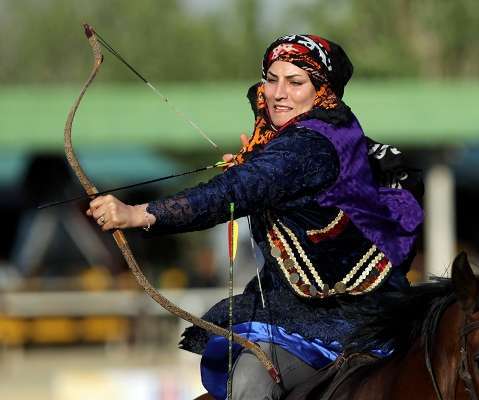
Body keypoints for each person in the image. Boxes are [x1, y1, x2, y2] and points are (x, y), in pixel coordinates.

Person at [86, 34, 424, 400]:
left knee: (249, 380)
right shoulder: (322, 130)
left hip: (347, 320)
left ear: (322, 90)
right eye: (271, 78)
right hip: (306, 307)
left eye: (295, 83)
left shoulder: (309, 144)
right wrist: (259, 166)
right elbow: (268, 181)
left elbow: (232, 192)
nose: (279, 93)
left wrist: (137, 213)